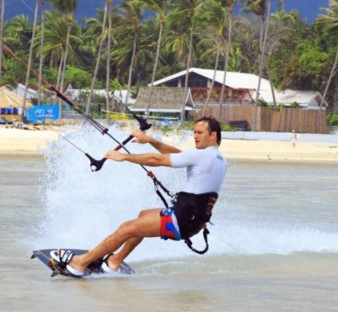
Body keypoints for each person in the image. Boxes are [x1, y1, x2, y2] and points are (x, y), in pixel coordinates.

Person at [50, 116, 227, 277]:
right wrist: (150, 140)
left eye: (200, 133)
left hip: (181, 219)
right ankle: (114, 261)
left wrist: (124, 157)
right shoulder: (218, 159)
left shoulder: (201, 155)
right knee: (143, 215)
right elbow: (177, 155)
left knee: (126, 229)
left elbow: (157, 161)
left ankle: (79, 264)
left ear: (213, 135)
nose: (195, 136)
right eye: (194, 132)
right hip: (192, 220)